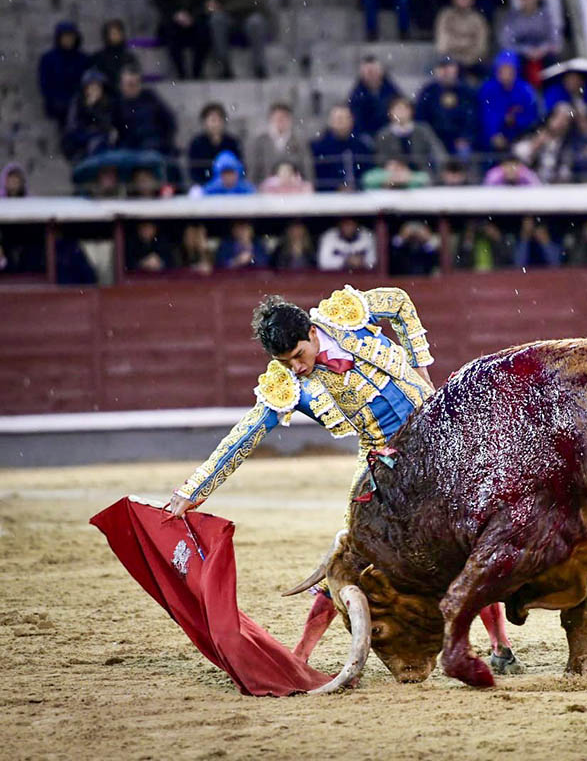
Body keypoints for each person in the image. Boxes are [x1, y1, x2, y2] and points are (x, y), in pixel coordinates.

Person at [165, 288, 525, 673]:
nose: (296, 368)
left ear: (311, 332)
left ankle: (500, 647)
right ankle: (300, 656)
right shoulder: (288, 384)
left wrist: (421, 367)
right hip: (380, 459)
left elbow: (400, 302)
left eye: (298, 357)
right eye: (285, 363)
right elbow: (245, 434)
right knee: (347, 555)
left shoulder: (346, 314)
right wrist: (193, 490)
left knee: (467, 540)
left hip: (437, 439)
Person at [415, 56, 478, 158]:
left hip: (459, 138)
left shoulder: (466, 91)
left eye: (449, 68)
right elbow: (421, 117)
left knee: (464, 153)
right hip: (434, 137)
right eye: (442, 68)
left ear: (456, 70)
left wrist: (465, 137)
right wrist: (431, 139)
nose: (445, 72)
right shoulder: (428, 91)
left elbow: (472, 117)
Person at [478, 51, 540, 152]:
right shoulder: (488, 89)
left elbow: (532, 118)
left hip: (520, 137)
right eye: (502, 70)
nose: (506, 75)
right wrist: (494, 133)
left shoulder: (525, 91)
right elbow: (485, 116)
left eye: (509, 70)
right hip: (492, 139)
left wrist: (516, 121)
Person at [112, 65, 177, 156]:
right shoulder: (117, 103)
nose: (133, 87)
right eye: (129, 84)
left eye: (136, 83)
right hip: (128, 147)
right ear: (121, 85)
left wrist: (165, 141)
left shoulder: (150, 98)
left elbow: (169, 121)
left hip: (153, 144)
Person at [498, 0, 562, 84]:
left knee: (554, 63)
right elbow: (505, 41)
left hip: (545, 55)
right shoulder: (513, 17)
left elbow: (555, 39)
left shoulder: (546, 15)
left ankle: (551, 90)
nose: (526, 0)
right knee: (508, 59)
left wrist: (542, 49)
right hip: (521, 55)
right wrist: (525, 50)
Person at [38, 21, 91, 128]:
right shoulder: (48, 59)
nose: (68, 40)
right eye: (65, 36)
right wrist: (56, 101)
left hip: (81, 108)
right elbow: (44, 83)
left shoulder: (83, 59)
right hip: (57, 108)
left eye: (71, 37)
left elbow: (87, 82)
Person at [206, 0, 271, 79]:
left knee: (256, 22)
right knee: (217, 19)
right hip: (228, 17)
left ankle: (259, 67)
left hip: (250, 16)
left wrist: (229, 7)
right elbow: (210, 4)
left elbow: (260, 4)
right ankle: (224, 66)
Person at [375, 97, 448, 174]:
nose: (401, 113)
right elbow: (379, 158)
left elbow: (437, 150)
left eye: (404, 109)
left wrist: (443, 167)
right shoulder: (384, 134)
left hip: (420, 172)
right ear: (390, 112)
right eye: (398, 109)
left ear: (411, 111)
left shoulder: (423, 130)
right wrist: (391, 166)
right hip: (391, 173)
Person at [310, 105, 373, 192]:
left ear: (351, 120)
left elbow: (368, 172)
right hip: (328, 197)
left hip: (360, 195)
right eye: (338, 119)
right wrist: (336, 187)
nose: (341, 122)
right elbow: (318, 175)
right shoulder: (319, 147)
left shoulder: (361, 145)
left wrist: (358, 186)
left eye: (344, 118)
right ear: (330, 121)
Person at [248, 103, 311, 185]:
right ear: (270, 119)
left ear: (290, 120)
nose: (280, 121)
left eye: (284, 118)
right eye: (277, 118)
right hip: (265, 192)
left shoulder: (300, 142)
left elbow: (307, 169)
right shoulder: (260, 142)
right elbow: (253, 170)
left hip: (294, 191)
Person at [62, 69, 116, 164]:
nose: (94, 91)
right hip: (82, 141)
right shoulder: (77, 103)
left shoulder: (108, 103)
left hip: (102, 140)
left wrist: (93, 110)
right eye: (91, 87)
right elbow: (72, 128)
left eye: (97, 87)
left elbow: (109, 125)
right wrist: (88, 108)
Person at [512, 102, 574, 183]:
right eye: (558, 118)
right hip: (529, 183)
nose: (561, 123)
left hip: (555, 186)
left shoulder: (568, 142)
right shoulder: (535, 131)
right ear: (551, 118)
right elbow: (517, 154)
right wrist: (535, 144)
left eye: (565, 120)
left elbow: (566, 172)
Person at [155, 0, 211, 79]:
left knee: (205, 31)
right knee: (170, 33)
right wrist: (175, 14)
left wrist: (192, 16)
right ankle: (181, 73)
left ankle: (197, 71)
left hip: (195, 20)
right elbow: (159, 0)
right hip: (171, 21)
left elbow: (203, 0)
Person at [188, 103, 244, 185]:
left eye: (219, 120)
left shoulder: (232, 142)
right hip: (203, 185)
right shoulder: (197, 143)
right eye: (213, 120)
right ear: (205, 122)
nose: (216, 124)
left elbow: (240, 166)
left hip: (230, 186)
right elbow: (193, 170)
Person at [435, 0, 490, 75]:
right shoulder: (445, 16)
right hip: (451, 59)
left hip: (473, 60)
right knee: (450, 69)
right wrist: (467, 43)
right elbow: (442, 44)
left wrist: (458, 45)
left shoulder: (478, 19)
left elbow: (481, 46)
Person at [349, 56, 402, 140]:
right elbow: (356, 121)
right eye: (368, 72)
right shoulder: (356, 96)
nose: (372, 75)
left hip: (390, 134)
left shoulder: (392, 91)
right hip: (366, 135)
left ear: (381, 71)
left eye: (374, 71)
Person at [91, 19, 140, 89]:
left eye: (118, 33)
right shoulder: (98, 57)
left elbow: (135, 78)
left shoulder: (129, 57)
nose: (116, 36)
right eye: (113, 33)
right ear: (107, 36)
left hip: (125, 93)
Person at [362, 158, 432, 189]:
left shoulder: (413, 176)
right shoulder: (376, 174)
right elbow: (367, 180)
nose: (397, 172)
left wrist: (408, 178)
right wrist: (387, 179)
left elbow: (425, 178)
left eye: (399, 167)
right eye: (394, 168)